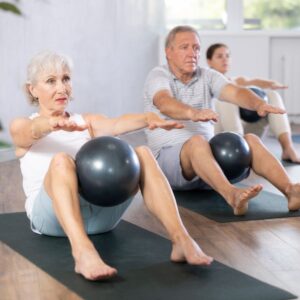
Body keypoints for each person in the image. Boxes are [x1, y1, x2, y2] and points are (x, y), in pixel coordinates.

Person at [10, 51, 214, 281]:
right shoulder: (22, 124)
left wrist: (147, 118)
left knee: (143, 154)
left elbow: (116, 124)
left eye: (66, 79)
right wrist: (50, 123)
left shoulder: (84, 122)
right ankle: (83, 252)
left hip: (101, 217)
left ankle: (182, 240)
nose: (61, 88)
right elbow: (29, 131)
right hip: (52, 221)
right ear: (32, 89)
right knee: (61, 161)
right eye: (50, 81)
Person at [143, 25, 300, 216]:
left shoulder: (207, 76)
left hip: (207, 166)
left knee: (251, 140)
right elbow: (164, 102)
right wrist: (193, 113)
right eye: (185, 47)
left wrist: (258, 103)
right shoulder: (158, 75)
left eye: (196, 48)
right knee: (197, 142)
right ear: (168, 52)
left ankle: (290, 191)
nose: (192, 53)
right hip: (170, 166)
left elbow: (235, 92)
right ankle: (232, 196)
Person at [206, 43, 300, 164]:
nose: (225, 59)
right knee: (227, 99)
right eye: (219, 56)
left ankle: (288, 148)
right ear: (209, 61)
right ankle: (239, 151)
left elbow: (255, 81)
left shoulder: (236, 80)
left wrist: (272, 84)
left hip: (244, 135)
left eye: (227, 56)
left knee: (272, 95)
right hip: (220, 136)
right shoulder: (205, 81)